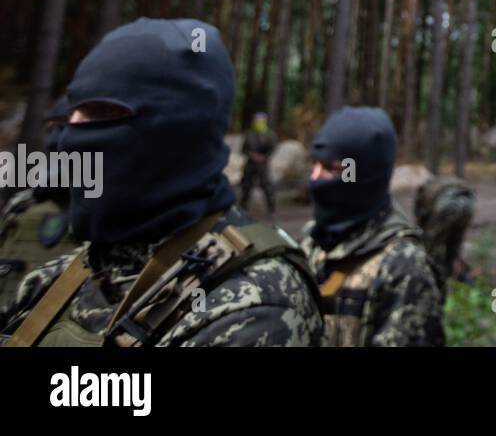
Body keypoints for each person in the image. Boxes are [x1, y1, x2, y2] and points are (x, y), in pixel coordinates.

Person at [0, 18, 323, 347]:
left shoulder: (257, 303)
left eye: (101, 113)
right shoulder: (75, 269)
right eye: (71, 115)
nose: (68, 139)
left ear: (178, 130)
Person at [300, 106, 443, 346]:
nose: (315, 178)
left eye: (330, 169)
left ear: (363, 173)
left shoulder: (402, 267)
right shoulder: (311, 241)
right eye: (314, 164)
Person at [0, 96, 80, 309]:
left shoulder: (111, 213)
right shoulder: (23, 206)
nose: (55, 139)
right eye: (50, 128)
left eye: (64, 127)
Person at [239, 111, 277, 214]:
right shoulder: (249, 134)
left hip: (263, 164)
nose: (258, 123)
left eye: (260, 121)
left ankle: (271, 208)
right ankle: (242, 207)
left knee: (267, 185)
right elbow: (243, 149)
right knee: (246, 186)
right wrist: (251, 155)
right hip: (250, 163)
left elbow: (273, 149)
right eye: (256, 120)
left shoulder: (270, 134)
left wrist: (263, 157)